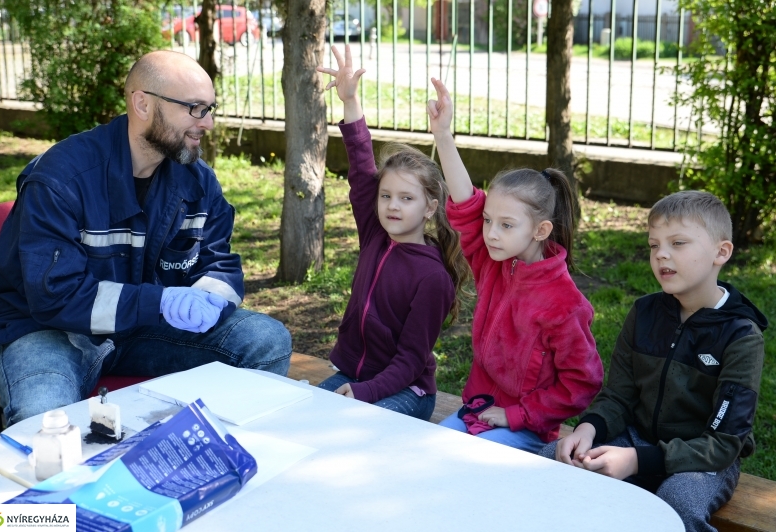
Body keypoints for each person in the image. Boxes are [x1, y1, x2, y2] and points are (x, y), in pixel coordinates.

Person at [0, 51, 292, 425]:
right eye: (195, 109)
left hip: (141, 329)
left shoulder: (197, 180)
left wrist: (210, 299)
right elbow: (55, 296)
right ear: (142, 103)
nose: (208, 123)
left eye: (210, 108)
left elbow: (219, 263)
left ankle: (225, 459)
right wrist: (159, 302)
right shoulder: (61, 178)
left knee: (265, 340)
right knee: (44, 423)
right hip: (49, 331)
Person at [540, 191, 767, 532]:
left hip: (703, 458)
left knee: (676, 502)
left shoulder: (741, 336)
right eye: (653, 244)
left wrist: (636, 461)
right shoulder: (644, 313)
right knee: (552, 459)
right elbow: (618, 394)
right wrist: (589, 429)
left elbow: (723, 443)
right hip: (636, 437)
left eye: (678, 243)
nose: (661, 254)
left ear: (721, 252)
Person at [426, 78, 603, 452]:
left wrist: (518, 416)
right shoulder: (494, 260)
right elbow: (465, 204)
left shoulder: (564, 304)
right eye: (489, 220)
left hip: (527, 427)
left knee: (466, 463)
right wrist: (443, 135)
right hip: (477, 411)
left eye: (506, 225)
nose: (490, 232)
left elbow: (582, 383)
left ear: (540, 230)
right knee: (431, 451)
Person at [314, 45, 470, 420]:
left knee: (354, 431)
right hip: (352, 374)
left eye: (406, 198)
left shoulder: (433, 277)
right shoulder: (374, 233)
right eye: (386, 196)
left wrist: (365, 392)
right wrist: (350, 102)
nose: (393, 206)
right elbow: (361, 166)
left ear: (430, 207)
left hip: (406, 390)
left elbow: (411, 360)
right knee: (300, 417)